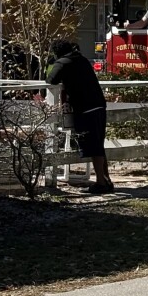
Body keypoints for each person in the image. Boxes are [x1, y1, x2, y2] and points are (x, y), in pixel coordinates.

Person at [47, 40, 113, 194]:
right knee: (99, 145)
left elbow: (51, 80)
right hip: (99, 105)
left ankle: (101, 184)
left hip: (85, 108)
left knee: (93, 147)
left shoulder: (63, 63)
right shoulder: (82, 60)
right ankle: (106, 180)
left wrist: (54, 63)